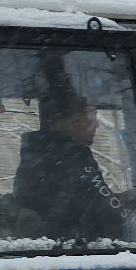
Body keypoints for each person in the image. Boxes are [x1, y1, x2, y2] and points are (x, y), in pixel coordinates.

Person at [12, 89, 124, 242]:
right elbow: (105, 207)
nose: (97, 124)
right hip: (75, 249)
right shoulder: (75, 156)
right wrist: (129, 214)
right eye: (94, 117)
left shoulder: (36, 155)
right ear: (76, 121)